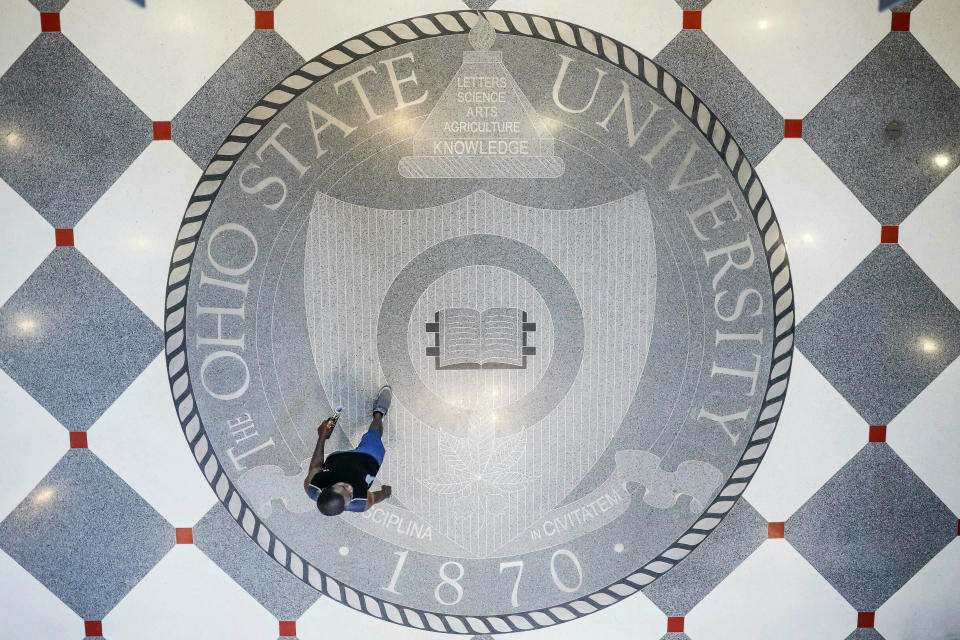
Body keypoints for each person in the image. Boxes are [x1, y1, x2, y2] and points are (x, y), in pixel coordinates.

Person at [303, 386, 393, 515]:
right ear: (347, 505)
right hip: (367, 461)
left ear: (326, 488)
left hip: (339, 459)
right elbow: (375, 497)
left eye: (343, 487)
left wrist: (322, 437)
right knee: (374, 436)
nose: (350, 488)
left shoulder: (312, 486)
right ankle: (378, 414)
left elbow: (316, 467)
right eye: (350, 496)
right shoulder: (362, 502)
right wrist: (385, 494)